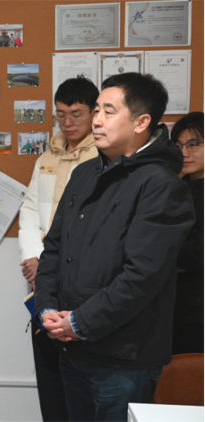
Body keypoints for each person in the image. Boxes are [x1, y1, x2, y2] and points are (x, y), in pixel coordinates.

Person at [34, 73, 194, 421]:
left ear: (141, 122)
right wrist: (46, 308)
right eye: (96, 110)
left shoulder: (161, 184)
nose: (96, 120)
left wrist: (79, 322)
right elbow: (54, 249)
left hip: (123, 358)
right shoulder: (84, 174)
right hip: (71, 348)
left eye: (108, 111)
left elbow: (142, 276)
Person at [17, 76, 101, 422]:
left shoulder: (104, 156)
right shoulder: (46, 157)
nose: (67, 123)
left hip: (84, 278)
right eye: (61, 115)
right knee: (49, 366)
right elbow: (29, 211)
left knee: (83, 370)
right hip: (43, 277)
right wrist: (34, 259)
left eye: (76, 114)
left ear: (95, 113)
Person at [170, 112, 205, 354]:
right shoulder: (174, 187)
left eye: (193, 144)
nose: (184, 152)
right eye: (179, 145)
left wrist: (169, 257)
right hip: (175, 304)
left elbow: (199, 252)